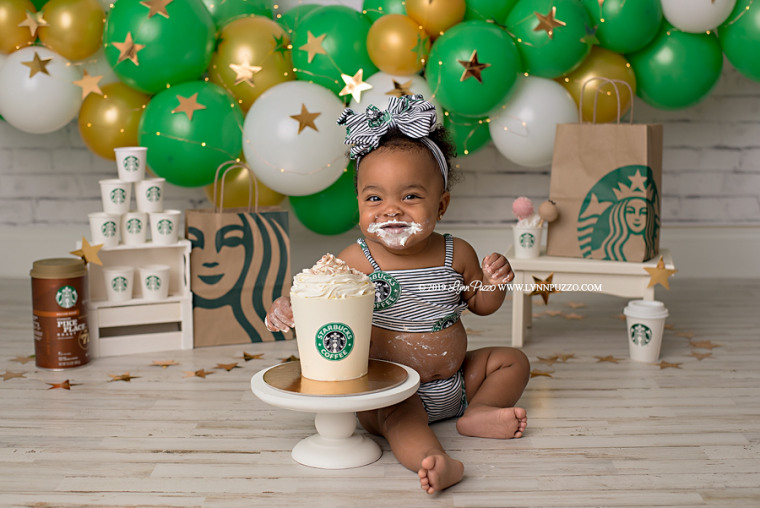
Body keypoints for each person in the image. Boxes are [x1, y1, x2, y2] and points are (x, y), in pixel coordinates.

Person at [265, 95, 530, 494]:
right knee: (401, 418)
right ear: (358, 203)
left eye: (410, 197)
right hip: (390, 390)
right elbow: (319, 302)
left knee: (511, 360)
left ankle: (480, 411)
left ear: (440, 205)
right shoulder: (356, 260)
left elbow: (481, 306)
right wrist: (288, 309)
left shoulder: (455, 252)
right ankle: (433, 459)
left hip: (457, 382)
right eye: (375, 198)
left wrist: (494, 285)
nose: (391, 210)